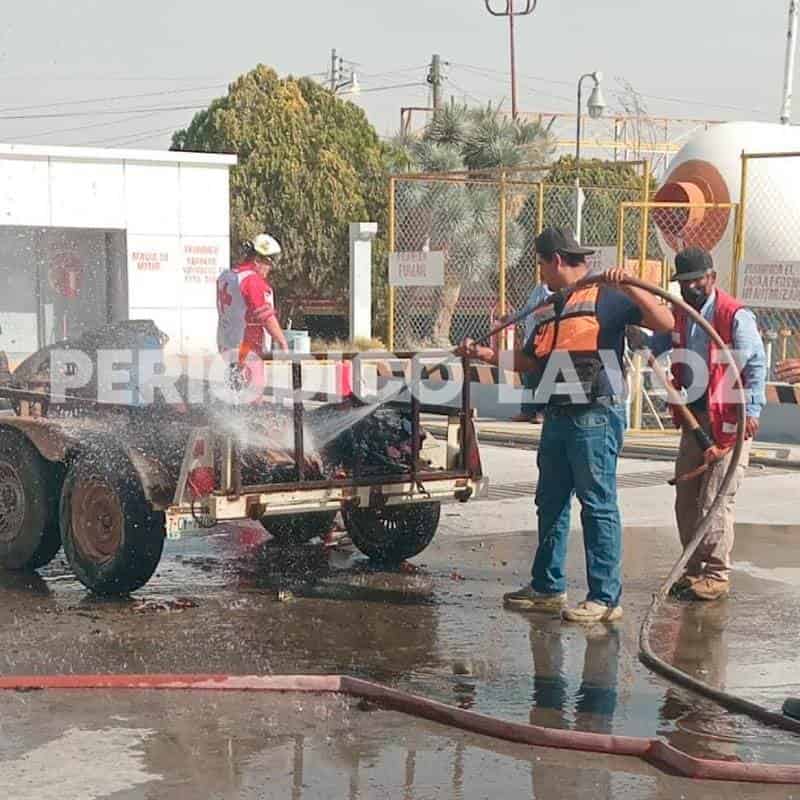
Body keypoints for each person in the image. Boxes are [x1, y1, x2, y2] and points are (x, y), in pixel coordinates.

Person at [459, 226, 674, 624]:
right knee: (551, 502)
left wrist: (630, 285)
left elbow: (664, 322)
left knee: (597, 505)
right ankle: (547, 587)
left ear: (556, 259)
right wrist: (483, 354)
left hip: (595, 414)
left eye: (541, 263)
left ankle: (606, 598)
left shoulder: (607, 295)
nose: (539, 272)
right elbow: (528, 362)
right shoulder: (548, 305)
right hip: (557, 413)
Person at [649, 247, 766, 602]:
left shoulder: (734, 316)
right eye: (684, 282)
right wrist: (641, 338)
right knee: (686, 498)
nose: (690, 287)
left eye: (696, 280)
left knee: (715, 499)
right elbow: (657, 339)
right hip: (695, 417)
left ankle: (716, 573)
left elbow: (755, 365)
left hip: (731, 420)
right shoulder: (680, 315)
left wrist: (754, 410)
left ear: (711, 278)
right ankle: (693, 569)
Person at [217, 234, 288, 360]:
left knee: (233, 379)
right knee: (253, 380)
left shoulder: (226, 276)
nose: (270, 268)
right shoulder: (251, 280)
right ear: (257, 260)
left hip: (226, 345)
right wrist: (282, 342)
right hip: (248, 348)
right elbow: (265, 316)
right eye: (268, 262)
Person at [512, 281, 552, 423]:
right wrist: (511, 318)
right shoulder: (540, 289)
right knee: (530, 377)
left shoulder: (561, 291)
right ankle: (527, 411)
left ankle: (542, 412)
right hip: (531, 340)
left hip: (547, 341)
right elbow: (528, 309)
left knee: (545, 378)